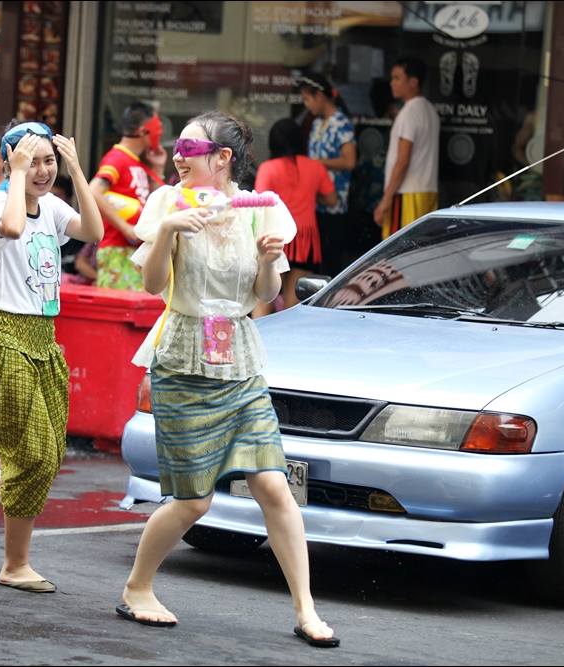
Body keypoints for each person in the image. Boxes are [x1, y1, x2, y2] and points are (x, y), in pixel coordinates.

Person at [117, 111, 339, 648]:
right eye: (177, 144)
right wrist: (168, 230)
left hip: (239, 359)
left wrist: (268, 260)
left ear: (222, 159)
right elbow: (152, 287)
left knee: (273, 485)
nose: (177, 154)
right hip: (184, 356)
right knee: (193, 501)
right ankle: (137, 588)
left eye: (190, 147)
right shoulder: (167, 202)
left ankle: (306, 610)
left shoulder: (262, 211)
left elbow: (265, 293)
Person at [0, 120, 102, 592]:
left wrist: (76, 169)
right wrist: (16, 173)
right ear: (11, 162)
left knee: (43, 456)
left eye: (50, 161)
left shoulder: (51, 206)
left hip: (43, 340)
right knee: (31, 453)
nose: (43, 171)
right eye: (34, 162)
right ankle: (14, 563)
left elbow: (93, 229)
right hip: (4, 336)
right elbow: (10, 227)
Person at [253, 118, 336, 316]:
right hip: (305, 240)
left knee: (264, 297)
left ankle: (258, 341)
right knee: (293, 302)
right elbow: (332, 200)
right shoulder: (316, 167)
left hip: (275, 237)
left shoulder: (268, 168)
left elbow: (259, 203)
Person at [89, 101, 166, 290]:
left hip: (134, 250)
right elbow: (94, 190)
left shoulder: (136, 163)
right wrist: (126, 228)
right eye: (158, 127)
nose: (161, 133)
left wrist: (158, 168)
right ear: (143, 131)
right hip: (118, 250)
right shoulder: (117, 158)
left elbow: (156, 204)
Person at [295, 72, 356, 277]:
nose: (306, 105)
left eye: (307, 99)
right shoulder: (315, 123)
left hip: (334, 203)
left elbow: (349, 161)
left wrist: (316, 164)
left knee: (332, 259)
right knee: (315, 260)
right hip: (314, 201)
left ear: (320, 96)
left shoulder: (341, 123)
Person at [373, 57, 440, 240]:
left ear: (413, 82)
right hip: (427, 191)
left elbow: (402, 161)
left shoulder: (408, 113)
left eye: (397, 78)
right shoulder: (430, 110)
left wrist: (385, 201)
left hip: (406, 195)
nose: (392, 83)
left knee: (398, 254)